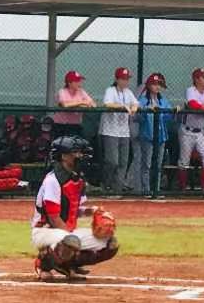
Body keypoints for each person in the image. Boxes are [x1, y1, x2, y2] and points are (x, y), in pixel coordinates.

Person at [31, 136, 119, 281]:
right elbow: (53, 217)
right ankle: (43, 264)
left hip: (66, 232)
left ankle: (69, 265)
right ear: (64, 156)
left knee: (110, 244)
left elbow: (75, 210)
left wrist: (93, 211)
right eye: (76, 152)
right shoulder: (53, 180)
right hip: (44, 231)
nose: (80, 156)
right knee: (72, 241)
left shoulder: (77, 178)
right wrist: (71, 240)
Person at [179, 67, 204, 190]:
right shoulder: (190, 90)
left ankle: (203, 187)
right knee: (184, 162)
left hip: (202, 132)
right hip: (187, 131)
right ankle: (182, 188)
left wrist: (203, 107)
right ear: (196, 79)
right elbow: (192, 104)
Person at [99, 67, 139, 193]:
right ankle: (106, 184)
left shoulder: (128, 92)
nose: (126, 81)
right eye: (123, 79)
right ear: (117, 79)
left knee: (123, 162)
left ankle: (117, 189)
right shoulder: (110, 90)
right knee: (112, 161)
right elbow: (107, 104)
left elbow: (135, 103)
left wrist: (133, 107)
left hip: (124, 132)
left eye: (127, 79)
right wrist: (123, 106)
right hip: (110, 131)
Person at [137, 73, 175, 197]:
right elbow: (138, 117)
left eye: (159, 84)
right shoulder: (143, 100)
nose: (157, 87)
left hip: (161, 136)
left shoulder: (163, 100)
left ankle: (156, 189)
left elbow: (168, 116)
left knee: (158, 165)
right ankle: (146, 190)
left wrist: (173, 111)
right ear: (149, 86)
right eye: (154, 84)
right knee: (147, 164)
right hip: (147, 136)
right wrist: (147, 110)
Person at [54, 70, 95, 137]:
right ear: (69, 83)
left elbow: (93, 104)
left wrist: (81, 104)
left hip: (75, 125)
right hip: (61, 125)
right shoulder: (62, 91)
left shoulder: (81, 91)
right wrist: (82, 102)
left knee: (77, 143)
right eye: (76, 81)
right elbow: (65, 105)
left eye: (80, 81)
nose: (79, 83)